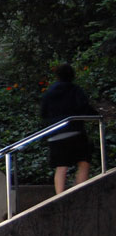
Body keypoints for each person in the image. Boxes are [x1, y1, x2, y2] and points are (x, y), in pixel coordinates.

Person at [40, 63, 97, 194]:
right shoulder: (75, 90)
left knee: (61, 166)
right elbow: (84, 107)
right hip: (74, 131)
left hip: (55, 133)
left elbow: (43, 113)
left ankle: (60, 196)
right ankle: (79, 191)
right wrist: (97, 116)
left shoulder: (49, 93)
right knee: (84, 162)